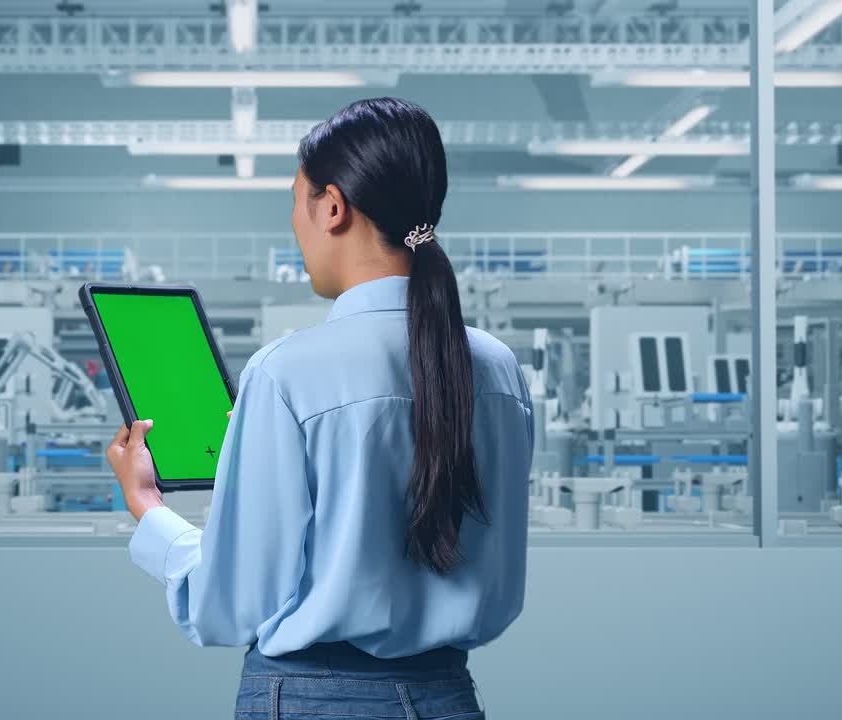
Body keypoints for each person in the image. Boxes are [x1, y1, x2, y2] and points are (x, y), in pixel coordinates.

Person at [106, 97, 533, 720]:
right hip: (447, 697)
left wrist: (148, 509)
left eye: (296, 202)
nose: (295, 224)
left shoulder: (286, 373)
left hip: (311, 699)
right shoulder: (499, 369)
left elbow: (229, 605)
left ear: (332, 207)